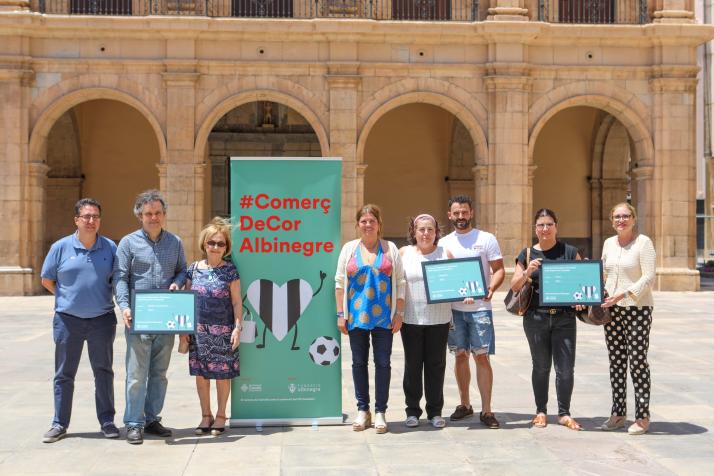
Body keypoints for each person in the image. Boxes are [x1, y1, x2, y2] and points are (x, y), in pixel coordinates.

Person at [40, 198, 119, 443]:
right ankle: (59, 423)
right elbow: (47, 279)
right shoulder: (60, 247)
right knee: (64, 374)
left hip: (102, 319)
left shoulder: (110, 248)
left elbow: (118, 281)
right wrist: (67, 298)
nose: (91, 221)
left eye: (95, 216)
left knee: (103, 372)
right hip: (67, 320)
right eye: (86, 216)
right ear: (76, 220)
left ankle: (107, 421)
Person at [114, 190, 187, 444]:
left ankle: (152, 418)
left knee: (159, 373)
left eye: (157, 213)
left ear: (164, 215)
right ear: (140, 216)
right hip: (138, 318)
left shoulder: (175, 242)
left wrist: (178, 283)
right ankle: (134, 423)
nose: (153, 217)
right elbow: (120, 278)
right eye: (148, 214)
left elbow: (181, 271)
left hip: (165, 318)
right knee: (136, 374)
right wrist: (124, 306)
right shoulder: (128, 243)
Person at [510, 208, 583, 431]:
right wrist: (527, 272)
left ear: (556, 227)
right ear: (535, 229)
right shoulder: (527, 254)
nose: (545, 229)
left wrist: (581, 299)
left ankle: (564, 413)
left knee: (566, 369)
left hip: (564, 319)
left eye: (549, 224)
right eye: (541, 225)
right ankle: (540, 411)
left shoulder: (570, 252)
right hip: (536, 318)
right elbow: (514, 286)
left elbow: (582, 282)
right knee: (541, 366)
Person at [335, 204, 405, 434]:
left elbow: (400, 283)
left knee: (383, 364)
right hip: (356, 318)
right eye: (363, 221)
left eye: (371, 221)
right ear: (358, 224)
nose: (367, 224)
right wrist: (340, 314)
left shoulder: (390, 248)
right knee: (358, 363)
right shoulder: (349, 249)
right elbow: (339, 283)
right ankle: (363, 410)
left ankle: (381, 411)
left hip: (384, 318)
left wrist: (399, 313)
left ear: (379, 224)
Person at [440, 196, 504, 429]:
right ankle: (465, 404)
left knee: (481, 357)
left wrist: (490, 289)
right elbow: (443, 275)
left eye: (464, 212)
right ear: (449, 215)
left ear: (471, 213)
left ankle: (487, 409)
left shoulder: (486, 239)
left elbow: (498, 270)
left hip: (479, 310)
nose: (460, 217)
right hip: (455, 310)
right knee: (459, 355)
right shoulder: (444, 242)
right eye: (456, 213)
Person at [179, 218, 242, 436]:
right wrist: (184, 330)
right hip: (198, 332)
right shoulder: (193, 270)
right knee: (202, 375)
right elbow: (186, 300)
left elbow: (236, 301)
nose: (215, 247)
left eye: (220, 243)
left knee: (223, 376)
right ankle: (206, 415)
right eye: (212, 243)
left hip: (223, 332)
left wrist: (237, 328)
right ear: (204, 244)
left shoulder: (230, 271)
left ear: (226, 247)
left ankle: (221, 415)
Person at [599, 203, 656, 435]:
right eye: (617, 217)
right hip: (612, 310)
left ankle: (642, 416)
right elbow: (603, 272)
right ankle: (618, 412)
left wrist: (623, 294)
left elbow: (649, 277)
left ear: (633, 219)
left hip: (637, 308)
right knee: (616, 361)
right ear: (612, 221)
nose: (621, 220)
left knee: (638, 361)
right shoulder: (608, 243)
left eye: (625, 216)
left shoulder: (644, 243)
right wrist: (597, 292)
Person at [399, 214, 453, 429]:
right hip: (411, 319)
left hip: (438, 319)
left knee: (436, 365)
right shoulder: (404, 253)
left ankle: (435, 411)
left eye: (430, 229)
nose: (425, 233)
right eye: (421, 229)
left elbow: (455, 281)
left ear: (436, 232)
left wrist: (465, 292)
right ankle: (412, 411)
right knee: (412, 365)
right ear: (414, 231)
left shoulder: (445, 253)